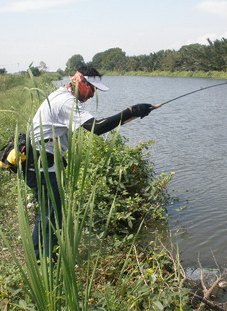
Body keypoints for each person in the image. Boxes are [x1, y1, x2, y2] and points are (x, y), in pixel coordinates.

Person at [25, 65, 160, 261]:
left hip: (42, 164)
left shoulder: (61, 95)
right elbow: (97, 128)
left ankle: (46, 256)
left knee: (50, 212)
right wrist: (130, 110)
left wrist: (134, 114)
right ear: (80, 81)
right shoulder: (65, 102)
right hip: (42, 167)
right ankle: (43, 261)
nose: (92, 94)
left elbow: (101, 125)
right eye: (91, 88)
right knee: (50, 215)